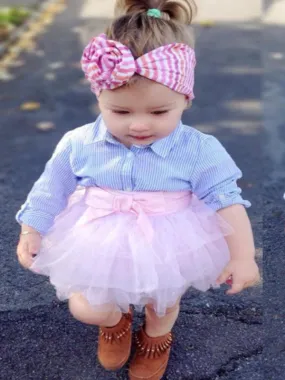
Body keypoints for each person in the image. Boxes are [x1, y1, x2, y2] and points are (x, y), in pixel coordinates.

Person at [16, 1, 260, 379]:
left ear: (186, 99)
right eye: (121, 111)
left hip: (169, 237)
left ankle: (155, 337)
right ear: (100, 98)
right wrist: (32, 229)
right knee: (89, 305)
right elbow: (51, 187)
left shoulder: (198, 149)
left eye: (160, 112)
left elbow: (227, 200)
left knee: (163, 300)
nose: (140, 125)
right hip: (98, 235)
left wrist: (243, 256)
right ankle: (112, 321)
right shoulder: (80, 142)